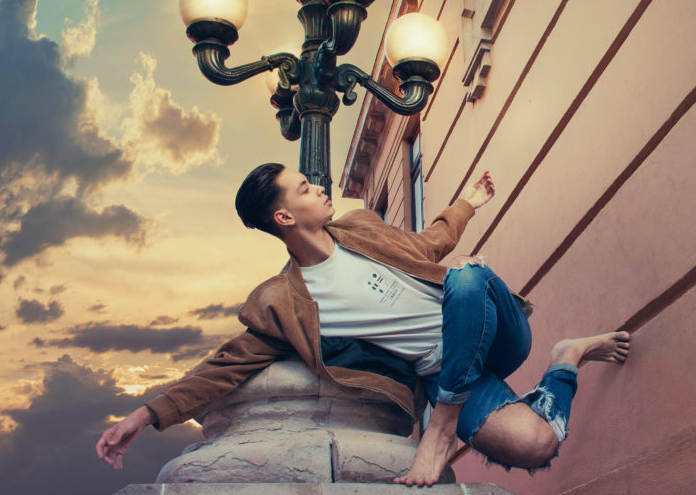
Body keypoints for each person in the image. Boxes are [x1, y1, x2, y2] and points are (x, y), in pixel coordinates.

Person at [95, 163, 630, 486]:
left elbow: (431, 246)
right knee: (535, 446)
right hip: (449, 376)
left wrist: (467, 203)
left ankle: (439, 432)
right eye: (304, 188)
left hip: (493, 326)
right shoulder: (284, 301)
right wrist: (144, 415)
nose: (319, 188)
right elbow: (226, 365)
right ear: (283, 218)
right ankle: (568, 357)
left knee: (465, 277)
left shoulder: (362, 229)